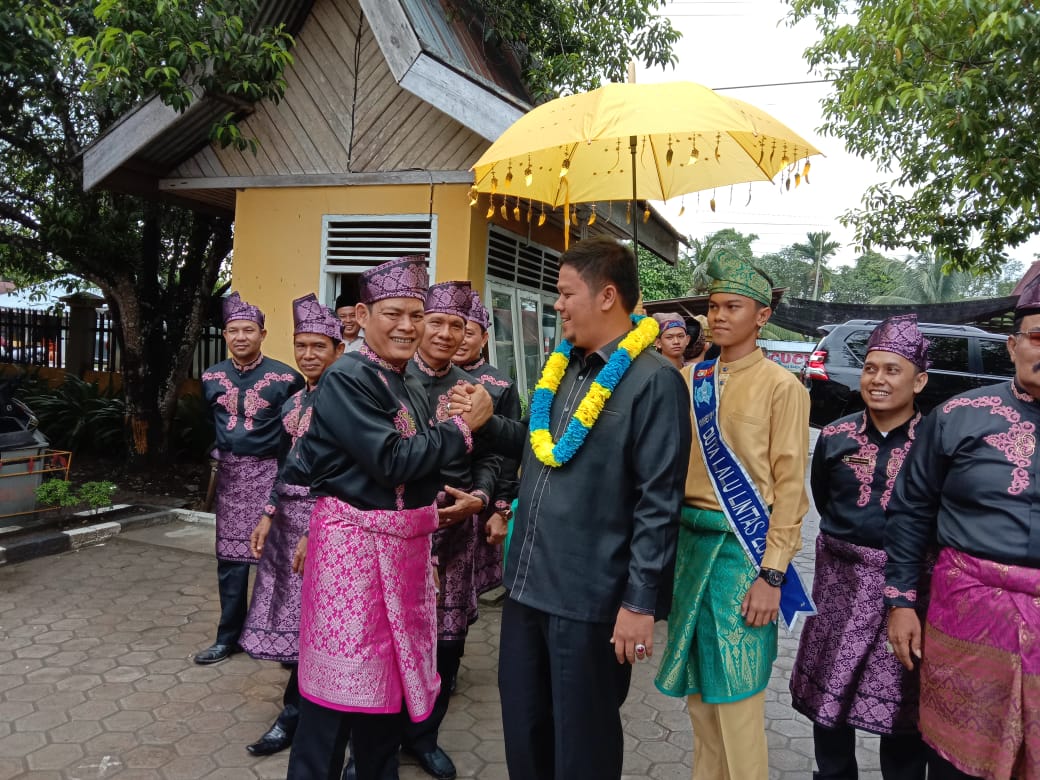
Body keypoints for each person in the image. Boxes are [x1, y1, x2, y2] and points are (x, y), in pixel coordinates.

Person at [459, 236, 692, 780]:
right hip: (526, 584)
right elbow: (544, 448)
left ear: (607, 296)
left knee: (581, 743)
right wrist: (489, 425)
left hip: (589, 600)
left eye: (565, 293)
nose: (557, 304)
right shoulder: (562, 366)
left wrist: (638, 604)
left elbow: (658, 503)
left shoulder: (654, 382)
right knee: (525, 727)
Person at [281, 256, 487, 780]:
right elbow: (393, 459)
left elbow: (414, 470)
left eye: (417, 315)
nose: (408, 326)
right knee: (333, 699)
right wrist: (462, 428)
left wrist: (441, 508)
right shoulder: (349, 376)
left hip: (399, 553)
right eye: (394, 313)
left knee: (386, 697)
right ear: (363, 315)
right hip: (352, 558)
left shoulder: (404, 381)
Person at [654, 248, 814, 780]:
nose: (718, 316)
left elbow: (791, 490)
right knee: (699, 697)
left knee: (738, 699)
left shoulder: (782, 387)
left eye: (733, 307)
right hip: (689, 547)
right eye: (714, 307)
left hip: (742, 555)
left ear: (761, 316)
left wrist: (772, 574)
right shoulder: (686, 379)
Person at [884, 274, 1040, 780]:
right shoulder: (958, 417)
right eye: (1038, 338)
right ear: (1014, 345)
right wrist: (901, 602)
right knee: (953, 761)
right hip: (967, 612)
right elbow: (910, 511)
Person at [790, 314, 932, 780]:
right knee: (829, 708)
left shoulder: (938, 444)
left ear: (920, 380)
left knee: (902, 722)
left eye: (893, 370)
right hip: (839, 584)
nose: (878, 379)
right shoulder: (834, 436)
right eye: (871, 368)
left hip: (908, 591)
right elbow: (824, 498)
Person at [401, 281, 501, 780]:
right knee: (391, 643)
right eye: (434, 322)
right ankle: (376, 741)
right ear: (418, 324)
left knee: (445, 643)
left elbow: (490, 458)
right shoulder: (388, 382)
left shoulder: (476, 391)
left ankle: (423, 737)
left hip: (455, 532)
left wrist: (478, 500)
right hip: (398, 536)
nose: (445, 333)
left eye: (456, 325)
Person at [238, 294, 344, 757]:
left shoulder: (347, 402)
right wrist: (267, 513)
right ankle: (297, 712)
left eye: (318, 346)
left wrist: (315, 528)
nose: (308, 354)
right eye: (301, 346)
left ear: (338, 350)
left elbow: (343, 471)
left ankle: (304, 717)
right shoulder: (292, 401)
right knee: (294, 619)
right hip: (286, 520)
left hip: (327, 521)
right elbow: (282, 465)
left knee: (323, 624)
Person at [196, 292, 304, 665]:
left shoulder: (287, 378)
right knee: (230, 561)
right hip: (230, 476)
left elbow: (296, 435)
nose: (240, 337)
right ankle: (228, 637)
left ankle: (285, 638)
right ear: (224, 334)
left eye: (248, 330)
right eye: (233, 331)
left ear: (262, 333)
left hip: (271, 475)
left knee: (279, 561)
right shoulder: (210, 376)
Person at [452, 288, 521, 550]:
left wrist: (501, 508)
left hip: (484, 500)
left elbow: (509, 455)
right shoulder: (426, 377)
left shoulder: (500, 385)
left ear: (484, 339)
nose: (458, 339)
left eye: (467, 333)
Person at [335, 280, 364, 353]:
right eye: (342, 316)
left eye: (353, 315)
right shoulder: (331, 341)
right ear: (336, 318)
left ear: (360, 316)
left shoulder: (371, 340)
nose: (348, 320)